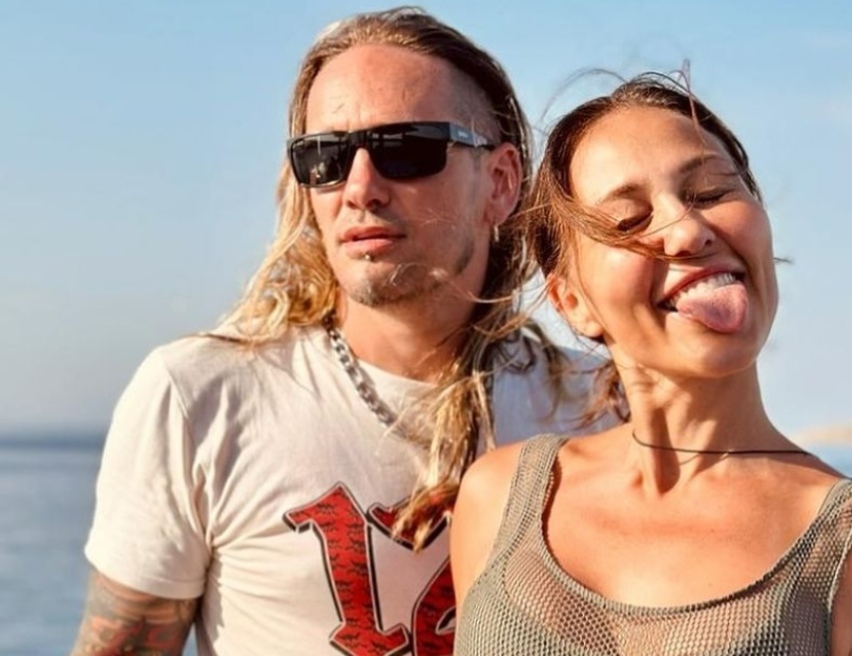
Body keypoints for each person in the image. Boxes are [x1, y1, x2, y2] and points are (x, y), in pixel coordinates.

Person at [70, 8, 609, 656]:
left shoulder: (601, 407)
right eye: (324, 157)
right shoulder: (200, 399)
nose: (359, 188)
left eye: (405, 149)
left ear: (499, 181)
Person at [451, 74, 852, 656]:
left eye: (712, 193)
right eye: (629, 221)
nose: (689, 231)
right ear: (571, 302)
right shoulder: (500, 498)